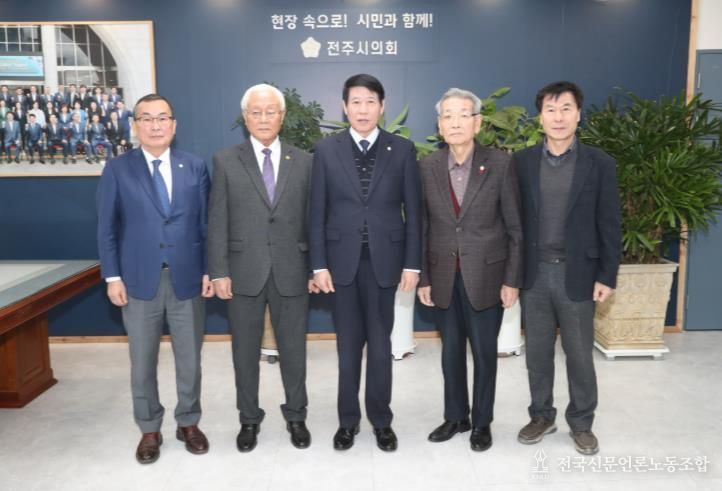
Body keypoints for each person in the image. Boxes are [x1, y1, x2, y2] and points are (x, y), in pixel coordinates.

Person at [97, 93, 213, 464]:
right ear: (135, 126)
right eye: (146, 118)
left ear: (174, 125)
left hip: (187, 278)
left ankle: (188, 422)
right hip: (137, 281)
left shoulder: (194, 167)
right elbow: (107, 228)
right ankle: (149, 428)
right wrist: (113, 276)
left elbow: (206, 225)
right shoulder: (118, 169)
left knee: (190, 360)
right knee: (142, 361)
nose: (155, 125)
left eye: (163, 118)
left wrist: (209, 270)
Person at [309, 73, 422, 452]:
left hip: (385, 262)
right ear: (345, 107)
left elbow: (414, 212)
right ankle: (347, 421)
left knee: (380, 345)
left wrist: (412, 264)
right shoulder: (326, 150)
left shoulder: (402, 149)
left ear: (382, 106)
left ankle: (381, 421)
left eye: (370, 101)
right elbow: (317, 212)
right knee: (347, 348)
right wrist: (318, 264)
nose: (363, 109)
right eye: (355, 102)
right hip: (341, 264)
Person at [514, 81, 621, 456]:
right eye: (550, 110)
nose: (558, 117)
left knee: (579, 355)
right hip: (534, 274)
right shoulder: (521, 162)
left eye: (566, 109)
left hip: (579, 274)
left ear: (579, 114)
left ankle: (582, 422)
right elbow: (513, 222)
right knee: (537, 355)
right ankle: (541, 415)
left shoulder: (599, 163)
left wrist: (607, 274)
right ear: (540, 116)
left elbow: (610, 223)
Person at [208, 83, 314, 452]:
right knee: (244, 352)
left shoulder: (305, 161)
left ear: (282, 117)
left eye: (271, 112)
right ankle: (249, 418)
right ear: (245, 117)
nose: (264, 118)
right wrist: (218, 271)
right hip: (243, 272)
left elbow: (313, 220)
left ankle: (296, 415)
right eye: (256, 112)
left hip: (292, 269)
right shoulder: (225, 160)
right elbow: (217, 220)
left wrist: (315, 268)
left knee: (294, 351)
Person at [418, 88, 523, 452]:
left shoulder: (501, 164)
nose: (455, 122)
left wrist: (512, 279)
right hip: (443, 276)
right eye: (448, 116)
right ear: (439, 125)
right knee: (450, 353)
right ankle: (455, 417)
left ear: (477, 123)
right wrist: (424, 278)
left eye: (464, 115)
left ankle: (481, 422)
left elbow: (515, 228)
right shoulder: (427, 167)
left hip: (488, 277)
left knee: (483, 353)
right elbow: (423, 227)